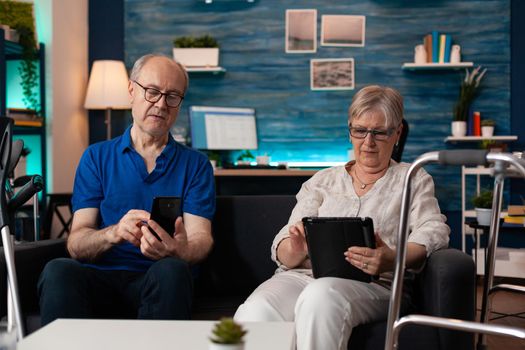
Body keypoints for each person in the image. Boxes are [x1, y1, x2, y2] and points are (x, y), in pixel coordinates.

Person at [234, 85, 450, 350]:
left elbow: (434, 232)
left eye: (379, 132)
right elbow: (283, 245)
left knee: (320, 297)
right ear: (350, 131)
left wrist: (391, 258)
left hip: (374, 284)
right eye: (359, 130)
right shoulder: (322, 181)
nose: (368, 142)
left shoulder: (412, 179)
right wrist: (295, 249)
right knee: (255, 311)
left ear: (397, 133)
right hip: (302, 275)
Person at [38, 54, 215, 325]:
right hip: (100, 278)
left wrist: (178, 250)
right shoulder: (96, 157)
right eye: (152, 92)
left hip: (159, 279)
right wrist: (114, 233)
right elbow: (76, 242)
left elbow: (201, 239)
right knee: (58, 269)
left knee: (172, 270)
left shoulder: (197, 165)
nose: (161, 104)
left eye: (172, 96)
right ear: (132, 91)